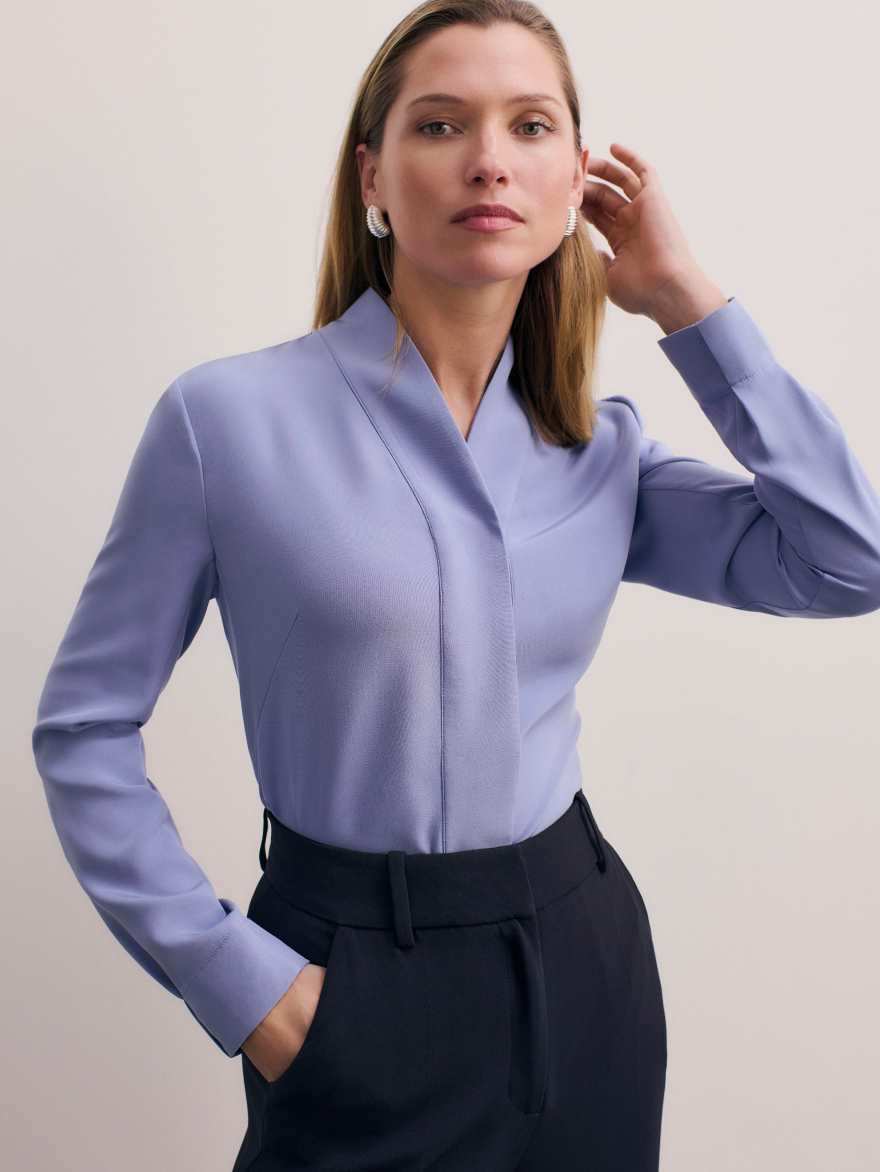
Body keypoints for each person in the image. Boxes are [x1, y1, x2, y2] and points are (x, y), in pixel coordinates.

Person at [31, 1, 880, 1169]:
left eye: (530, 125)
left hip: (585, 962)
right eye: (440, 124)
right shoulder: (223, 421)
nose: (488, 158)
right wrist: (239, 981)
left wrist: (686, 299)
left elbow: (846, 558)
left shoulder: (600, 450)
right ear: (372, 178)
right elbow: (83, 725)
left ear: (575, 180)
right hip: (343, 981)